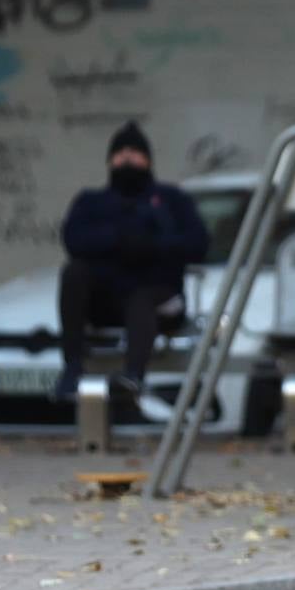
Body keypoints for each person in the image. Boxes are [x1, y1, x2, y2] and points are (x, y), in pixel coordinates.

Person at [54, 121, 209, 403]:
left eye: (134, 152)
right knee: (73, 274)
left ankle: (133, 376)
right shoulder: (92, 202)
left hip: (157, 296)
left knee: (141, 299)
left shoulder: (171, 200)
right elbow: (74, 239)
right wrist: (116, 239)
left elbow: (197, 243)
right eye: (120, 152)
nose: (126, 157)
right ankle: (72, 367)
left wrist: (150, 245)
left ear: (147, 159)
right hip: (106, 301)